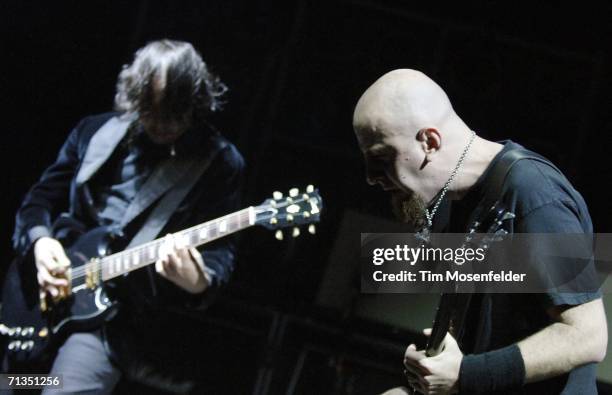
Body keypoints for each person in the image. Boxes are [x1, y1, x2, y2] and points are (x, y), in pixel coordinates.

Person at [7, 39, 244, 393]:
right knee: (15, 385)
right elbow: (38, 201)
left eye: (175, 113)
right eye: (151, 111)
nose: (162, 124)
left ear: (196, 103)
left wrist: (196, 279)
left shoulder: (219, 164)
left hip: (112, 323)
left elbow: (219, 257)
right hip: (41, 299)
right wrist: (40, 242)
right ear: (136, 98)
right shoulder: (94, 131)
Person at [352, 69, 607, 394]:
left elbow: (587, 336)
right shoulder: (454, 205)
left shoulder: (535, 194)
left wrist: (466, 375)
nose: (371, 177)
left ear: (429, 142)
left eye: (381, 158)